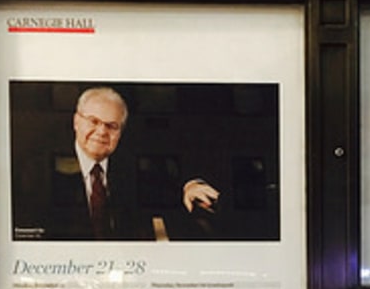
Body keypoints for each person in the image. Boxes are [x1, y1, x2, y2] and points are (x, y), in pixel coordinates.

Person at [17, 86, 220, 240]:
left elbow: (170, 180)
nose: (102, 132)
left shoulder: (129, 165)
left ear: (120, 132)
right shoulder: (39, 170)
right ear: (76, 122)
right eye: (93, 121)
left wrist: (190, 186)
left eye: (111, 126)